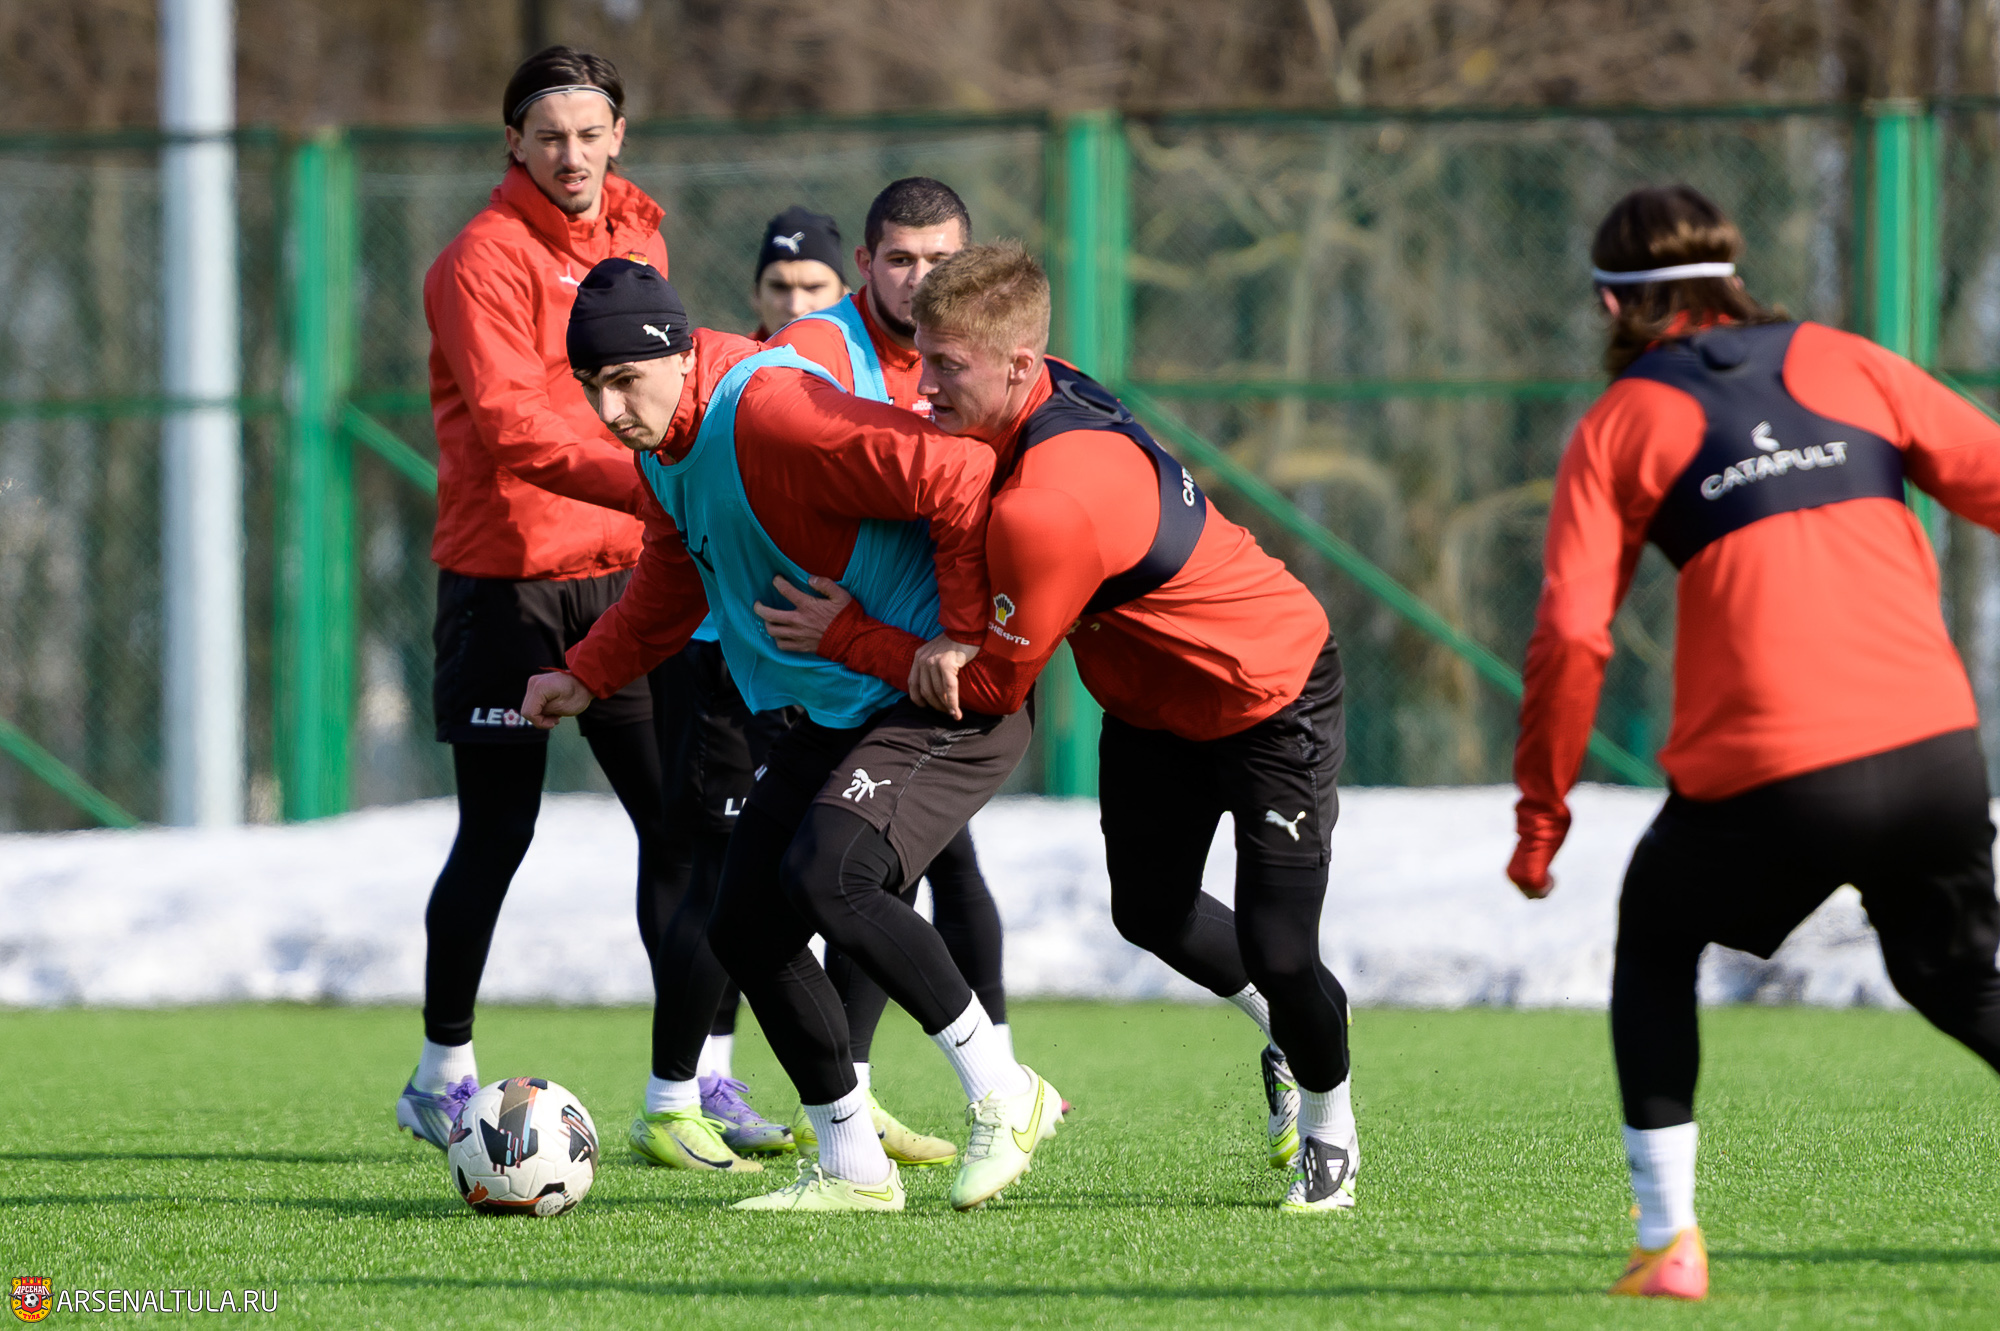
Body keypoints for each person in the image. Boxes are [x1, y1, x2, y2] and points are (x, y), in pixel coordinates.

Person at [761, 242, 1356, 1214]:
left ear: (1020, 366)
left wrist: (850, 636)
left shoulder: (1047, 503)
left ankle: (1330, 1127)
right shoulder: (1038, 396)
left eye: (945, 365)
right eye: (918, 357)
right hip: (1150, 710)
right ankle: (1284, 1027)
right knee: (1148, 911)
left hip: (1269, 694)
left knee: (1285, 951)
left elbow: (996, 686)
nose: (921, 385)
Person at [1507, 185, 2000, 1300]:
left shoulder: (1620, 422)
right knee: (1956, 979)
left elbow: (1572, 635)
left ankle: (1667, 1242)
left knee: (1655, 938)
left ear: (1609, 302)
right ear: (1731, 272)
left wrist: (1541, 813)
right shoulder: (1849, 359)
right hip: (1934, 748)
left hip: (1772, 774)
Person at [522, 259, 1064, 1213]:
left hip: (934, 695)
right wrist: (586, 672)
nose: (608, 410)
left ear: (677, 353)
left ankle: (1003, 1089)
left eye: (624, 381)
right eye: (591, 387)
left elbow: (960, 471)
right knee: (746, 925)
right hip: (843, 706)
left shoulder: (769, 414)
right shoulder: (665, 445)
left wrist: (957, 633)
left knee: (831, 876)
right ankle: (853, 1163)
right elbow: (672, 578)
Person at [397, 46, 766, 1173]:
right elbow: (513, 427)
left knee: (687, 835)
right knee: (497, 832)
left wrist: (672, 488)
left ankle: (694, 1081)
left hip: (627, 577)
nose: (571, 154)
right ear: (513, 141)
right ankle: (441, 1073)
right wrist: (664, 483)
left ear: (619, 136)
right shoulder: (480, 259)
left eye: (589, 133)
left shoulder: (639, 236)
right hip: (507, 584)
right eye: (548, 135)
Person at [764, 180, 1013, 1166]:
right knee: (799, 887)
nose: (919, 279)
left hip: (928, 681)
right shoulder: (819, 352)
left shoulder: (995, 356)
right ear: (863, 265)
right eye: (900, 260)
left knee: (871, 875)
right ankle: (716, 1090)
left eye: (939, 260)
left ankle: (970, 1083)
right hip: (834, 666)